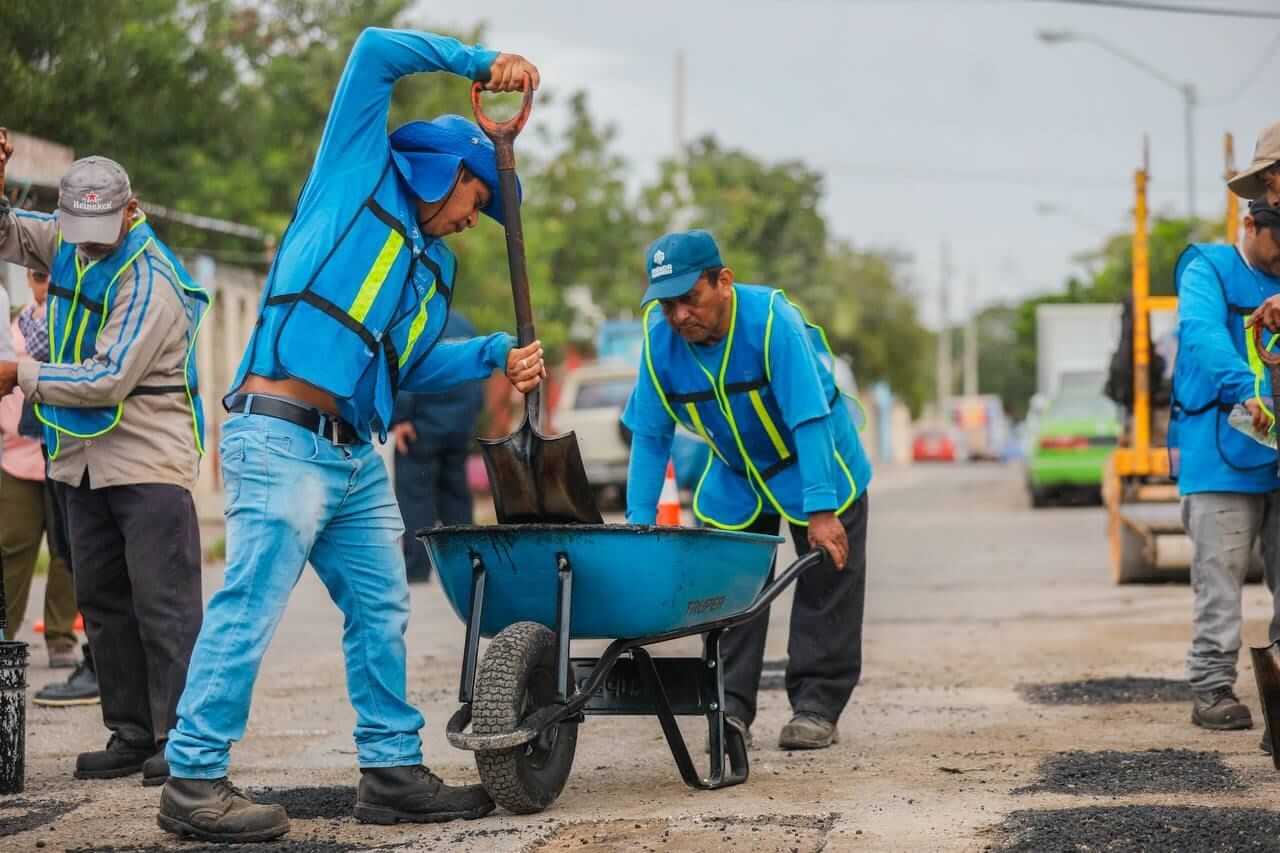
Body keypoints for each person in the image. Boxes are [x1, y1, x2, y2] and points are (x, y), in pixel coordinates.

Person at [159, 28, 545, 843]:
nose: (478, 221)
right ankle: (193, 777)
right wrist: (480, 65)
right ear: (449, 169)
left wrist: (492, 357)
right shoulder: (355, 166)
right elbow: (373, 49)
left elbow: (403, 367)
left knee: (382, 605)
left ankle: (390, 769)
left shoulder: (428, 267)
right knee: (251, 603)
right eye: (480, 200)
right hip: (281, 437)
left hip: (351, 453)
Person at [0, 141, 209, 786]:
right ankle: (130, 732)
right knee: (103, 601)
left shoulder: (151, 279)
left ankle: (181, 739)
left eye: (100, 231)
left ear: (131, 210)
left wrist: (18, 373)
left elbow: (107, 380)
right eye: (77, 231)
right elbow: (7, 233)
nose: (87, 245)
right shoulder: (66, 240)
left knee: (163, 607)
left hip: (146, 462)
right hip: (79, 463)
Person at [621, 229, 873, 751]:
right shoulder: (660, 341)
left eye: (690, 298)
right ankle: (729, 707)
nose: (679, 315)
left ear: (724, 282)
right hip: (736, 474)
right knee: (729, 591)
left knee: (828, 580)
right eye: (667, 303)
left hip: (816, 461)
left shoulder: (771, 322)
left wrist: (821, 510)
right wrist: (639, 522)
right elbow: (650, 436)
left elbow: (809, 417)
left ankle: (817, 705)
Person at [1172, 178, 1280, 737]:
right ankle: (1212, 688)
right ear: (1251, 226)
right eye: (1279, 241)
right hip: (1220, 455)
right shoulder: (1208, 270)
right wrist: (1245, 388)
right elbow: (1201, 334)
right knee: (1220, 577)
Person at [1, 268, 79, 668]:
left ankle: (61, 636)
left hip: (63, 451)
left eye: (50, 276)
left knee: (66, 551)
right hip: (16, 458)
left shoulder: (73, 322)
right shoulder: (12, 326)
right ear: (29, 281)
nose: (43, 284)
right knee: (11, 547)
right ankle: (4, 634)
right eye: (37, 276)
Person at [390, 311, 486, 582]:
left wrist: (400, 417)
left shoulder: (415, 322)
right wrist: (471, 417)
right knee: (457, 499)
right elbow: (476, 375)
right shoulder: (464, 325)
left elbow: (405, 373)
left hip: (420, 428)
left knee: (415, 499)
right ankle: (469, 566)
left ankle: (417, 567)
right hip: (458, 426)